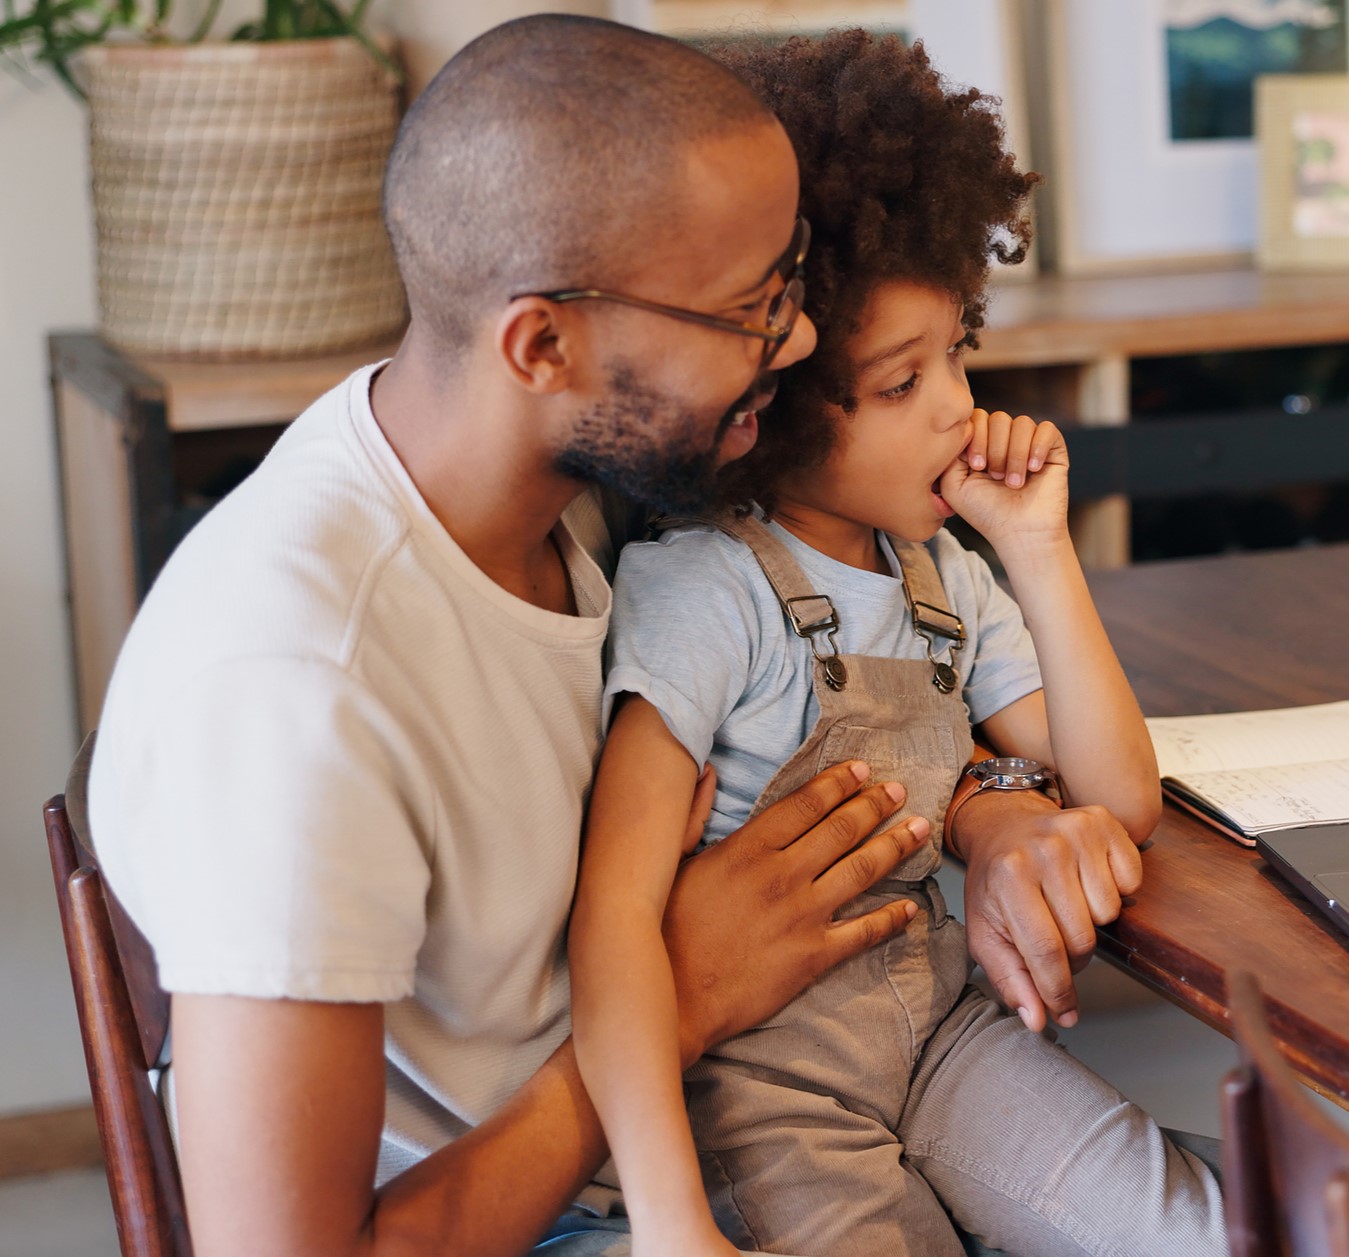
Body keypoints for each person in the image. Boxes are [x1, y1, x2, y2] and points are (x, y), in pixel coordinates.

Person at [83, 17, 1127, 1255]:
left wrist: (994, 798)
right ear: (542, 345)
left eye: (790, 285)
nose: (794, 346)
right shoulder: (297, 689)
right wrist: (679, 1000)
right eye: (751, 309)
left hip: (737, 1119)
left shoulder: (557, 473)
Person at [570, 31, 1223, 1257]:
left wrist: (1039, 548)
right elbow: (612, 922)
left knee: (1206, 1227)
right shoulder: (703, 591)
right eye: (900, 383)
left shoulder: (945, 576)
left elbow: (1119, 795)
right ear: (770, 410)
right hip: (769, 1097)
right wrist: (670, 1223)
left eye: (958, 355)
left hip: (942, 1042)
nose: (959, 410)